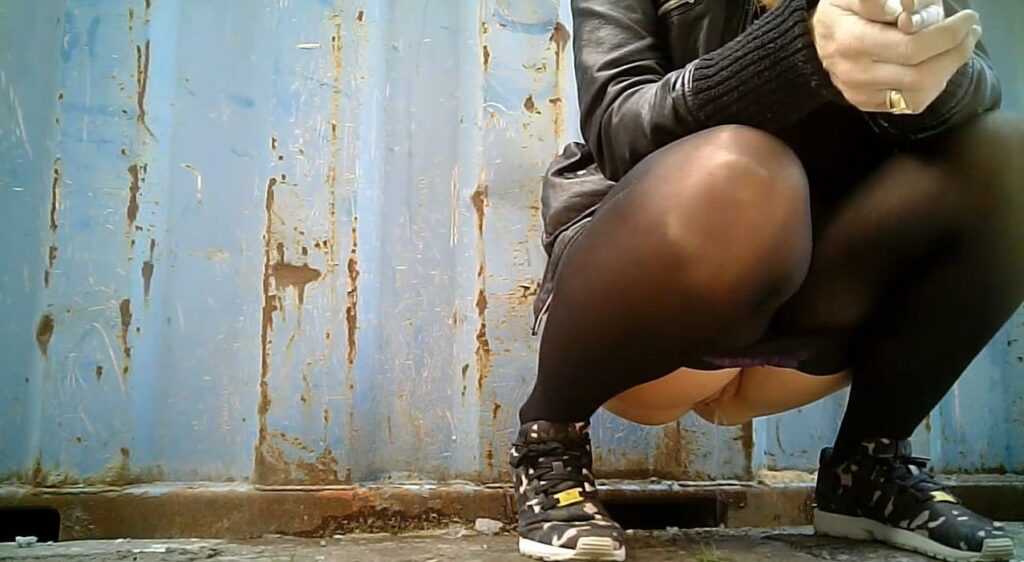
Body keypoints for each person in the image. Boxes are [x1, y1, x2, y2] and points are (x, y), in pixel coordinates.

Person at [508, 0, 1023, 560]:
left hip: (822, 288)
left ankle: (868, 468)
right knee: (742, 170)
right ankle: (548, 441)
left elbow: (979, 89)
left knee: (1009, 157)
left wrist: (912, 74)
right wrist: (798, 49)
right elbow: (620, 127)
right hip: (661, 290)